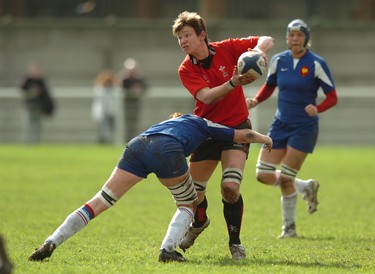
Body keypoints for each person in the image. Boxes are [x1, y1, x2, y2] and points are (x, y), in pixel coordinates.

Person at [28, 113, 273, 263]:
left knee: (100, 200)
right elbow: (241, 135)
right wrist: (264, 138)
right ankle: (167, 250)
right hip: (166, 149)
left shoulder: (166, 122)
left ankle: (51, 241)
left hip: (137, 145)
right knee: (188, 203)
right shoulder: (201, 122)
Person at [171, 11, 275, 260]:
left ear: (202, 35)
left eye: (187, 35)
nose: (183, 41)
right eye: (179, 37)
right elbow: (206, 97)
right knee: (191, 197)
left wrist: (259, 51)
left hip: (236, 129)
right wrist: (233, 83)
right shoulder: (186, 68)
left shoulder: (227, 48)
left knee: (230, 188)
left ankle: (235, 243)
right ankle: (200, 222)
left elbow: (268, 38)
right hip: (206, 130)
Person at [246, 19, 338, 238]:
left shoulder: (316, 63)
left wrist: (318, 108)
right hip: (280, 125)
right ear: (287, 38)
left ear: (306, 38)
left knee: (286, 179)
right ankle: (306, 186)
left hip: (304, 127)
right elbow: (269, 87)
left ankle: (289, 230)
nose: (295, 39)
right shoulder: (278, 60)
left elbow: (333, 97)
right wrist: (256, 101)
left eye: (299, 35)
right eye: (291, 35)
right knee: (262, 174)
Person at [20, 62, 54, 144]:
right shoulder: (27, 80)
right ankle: (28, 142)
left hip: (39, 107)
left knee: (38, 126)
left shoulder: (41, 81)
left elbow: (45, 93)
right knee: (29, 126)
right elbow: (22, 89)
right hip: (29, 107)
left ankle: (36, 142)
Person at [120, 58, 148, 140]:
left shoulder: (140, 78)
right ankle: (125, 138)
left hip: (135, 104)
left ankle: (132, 138)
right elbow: (119, 88)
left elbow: (145, 87)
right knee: (124, 122)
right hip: (124, 104)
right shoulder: (123, 78)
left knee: (134, 122)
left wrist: (139, 89)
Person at [91, 69, 119, 144]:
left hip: (112, 111)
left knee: (112, 128)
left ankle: (111, 141)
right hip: (102, 111)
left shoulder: (115, 88)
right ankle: (102, 140)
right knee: (102, 128)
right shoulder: (99, 88)